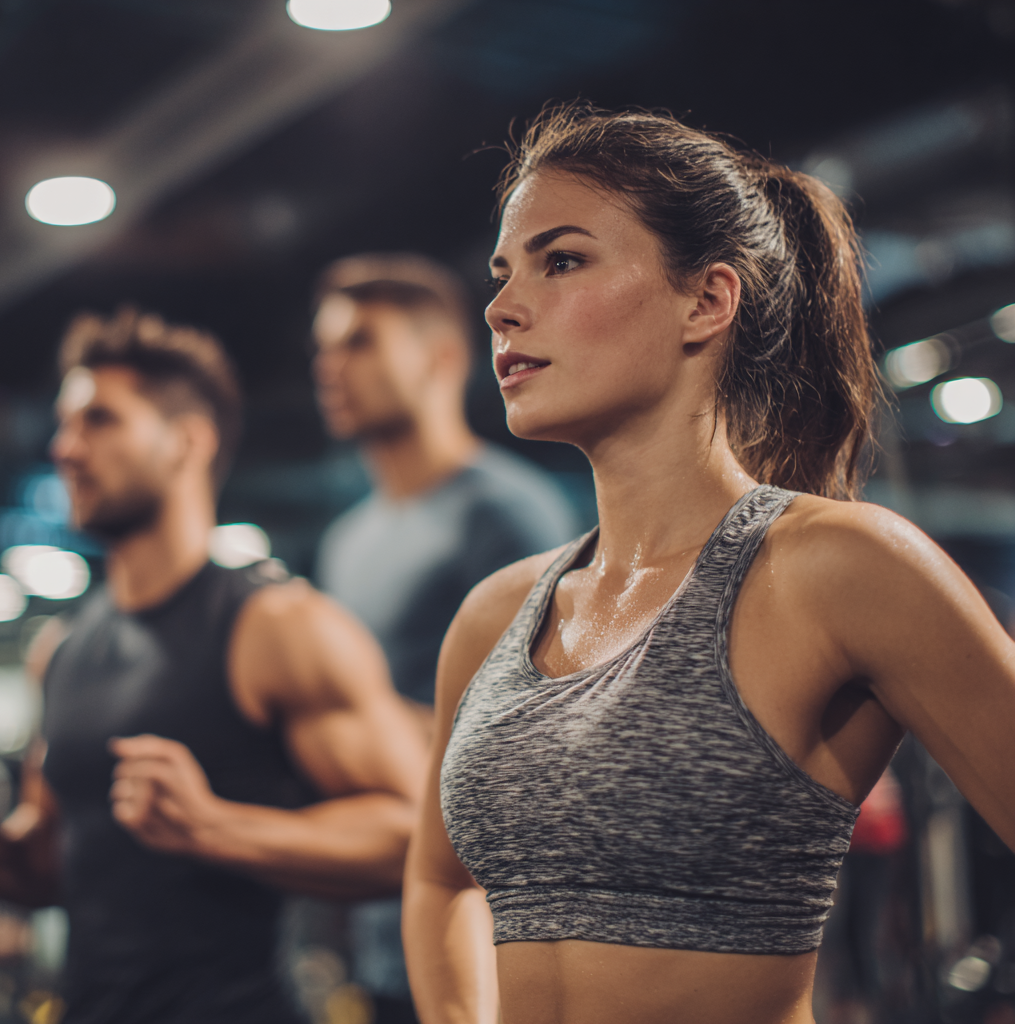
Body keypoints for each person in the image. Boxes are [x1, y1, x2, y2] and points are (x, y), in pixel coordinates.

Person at [402, 103, 1015, 1024]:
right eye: (503, 272)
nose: (500, 306)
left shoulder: (834, 566)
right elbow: (435, 879)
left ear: (707, 300)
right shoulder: (495, 618)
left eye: (560, 260)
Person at [0, 308, 428, 1024]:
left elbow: (413, 837)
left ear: (187, 442)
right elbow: (46, 871)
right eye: (65, 424)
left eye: (100, 421)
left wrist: (215, 827)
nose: (65, 448)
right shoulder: (61, 650)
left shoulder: (276, 626)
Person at [311, 254, 577, 1021]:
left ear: (441, 357)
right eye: (323, 349)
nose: (331, 366)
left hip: (493, 934)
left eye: (359, 342)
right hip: (386, 925)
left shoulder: (507, 514)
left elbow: (539, 739)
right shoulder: (346, 541)